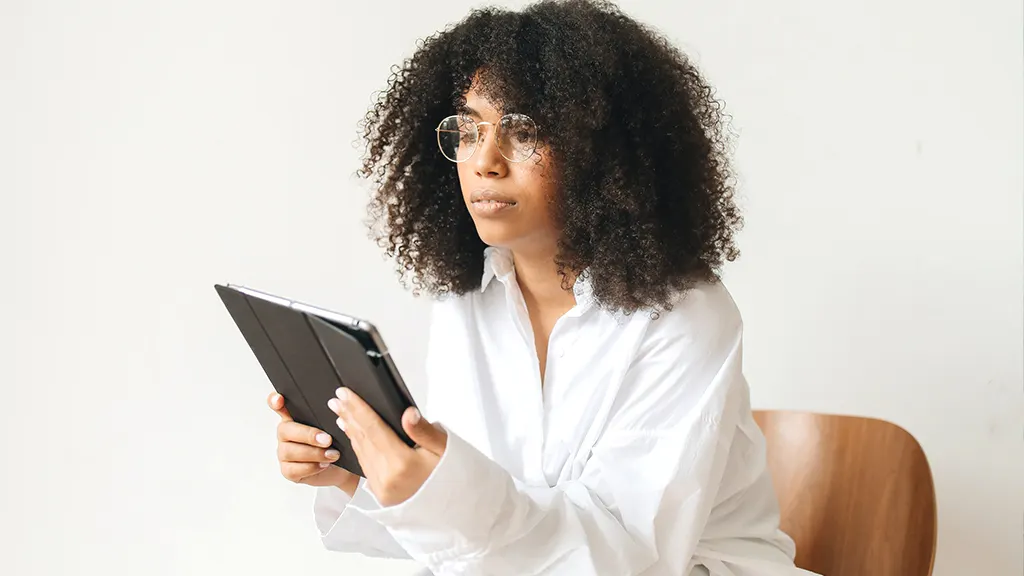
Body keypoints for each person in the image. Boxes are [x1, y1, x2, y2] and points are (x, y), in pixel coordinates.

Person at [268, 1, 820, 574]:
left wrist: (443, 493)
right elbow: (465, 544)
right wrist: (356, 476)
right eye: (468, 127)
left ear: (603, 151)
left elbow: (624, 557)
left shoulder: (687, 316)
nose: (485, 160)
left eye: (525, 131)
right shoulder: (466, 300)